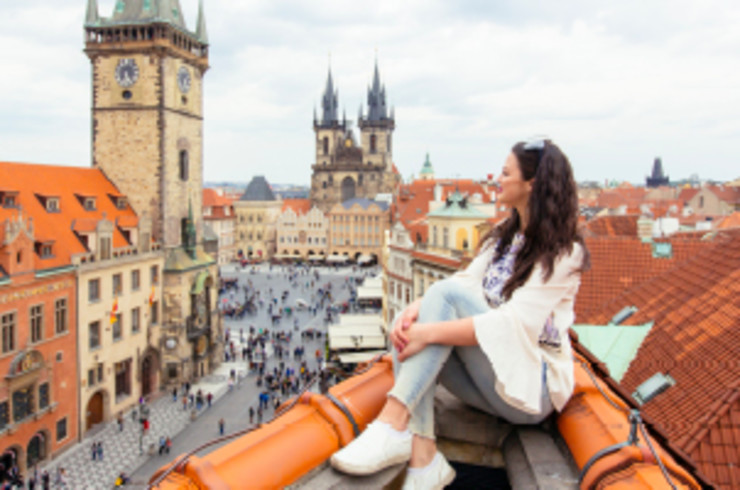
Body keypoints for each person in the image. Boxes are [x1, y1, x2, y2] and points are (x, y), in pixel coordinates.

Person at [330, 140, 589, 489]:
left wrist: (429, 331)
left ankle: (394, 423)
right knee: (411, 323)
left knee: (437, 307)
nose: (498, 179)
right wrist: (414, 311)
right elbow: (465, 282)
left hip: (531, 387)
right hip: (494, 378)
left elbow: (512, 324)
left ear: (532, 184)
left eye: (506, 172)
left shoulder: (563, 252)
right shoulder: (502, 236)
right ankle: (423, 460)